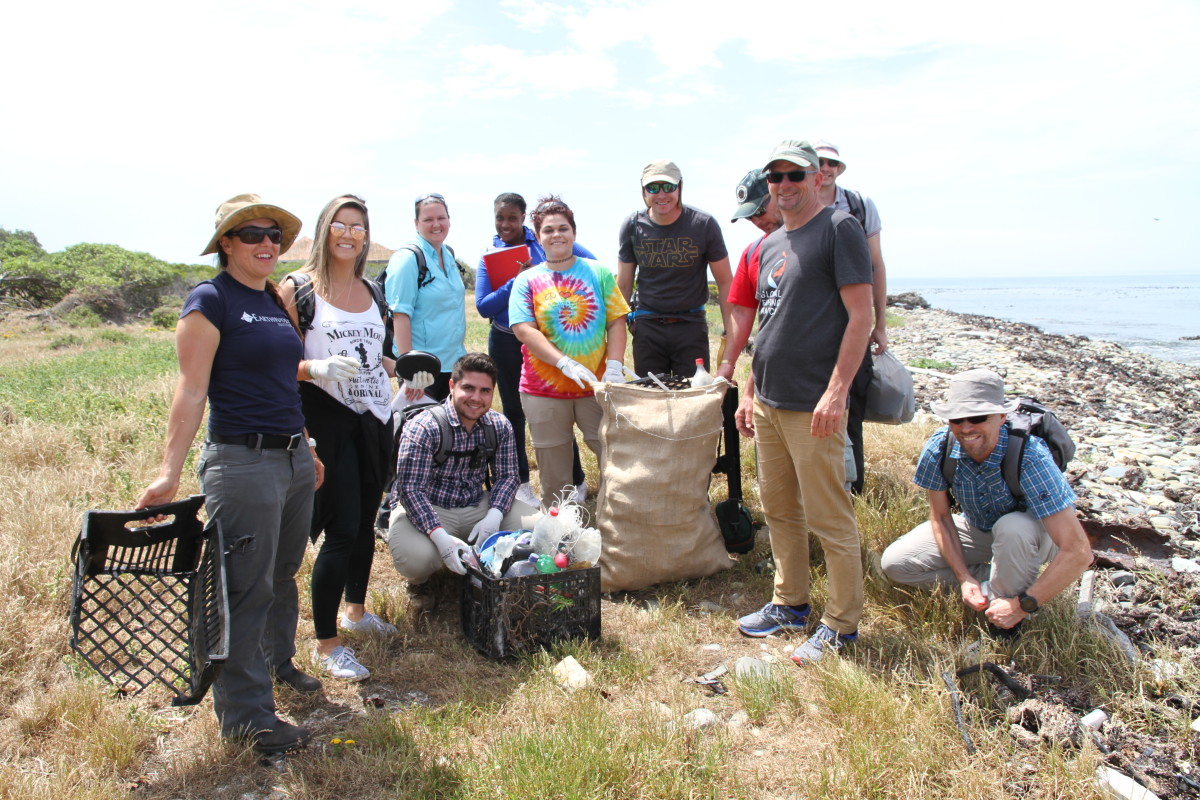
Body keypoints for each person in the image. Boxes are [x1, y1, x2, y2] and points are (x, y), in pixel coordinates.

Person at [136, 194, 320, 754]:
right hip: (242, 461)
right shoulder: (209, 300)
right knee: (243, 587)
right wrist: (169, 473)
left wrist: (306, 444)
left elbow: (283, 378)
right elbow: (191, 389)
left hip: (289, 458)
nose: (267, 244)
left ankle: (271, 669)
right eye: (253, 235)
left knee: (282, 571)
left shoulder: (271, 297)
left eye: (274, 235)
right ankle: (247, 719)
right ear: (226, 244)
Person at [729, 140, 874, 666]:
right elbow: (766, 322)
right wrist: (748, 390)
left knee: (829, 517)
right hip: (768, 400)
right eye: (776, 177)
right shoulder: (770, 245)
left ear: (817, 178)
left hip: (814, 403)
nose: (785, 185)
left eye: (795, 175)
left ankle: (841, 625)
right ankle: (790, 602)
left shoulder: (839, 229)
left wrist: (837, 392)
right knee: (780, 509)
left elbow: (862, 317)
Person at [880, 369, 1093, 635]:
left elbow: (1079, 551)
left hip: (1036, 537)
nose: (966, 427)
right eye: (957, 419)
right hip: (978, 527)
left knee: (1012, 526)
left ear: (1002, 416)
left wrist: (1023, 605)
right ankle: (992, 583)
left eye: (978, 417)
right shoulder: (939, 448)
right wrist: (964, 578)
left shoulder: (1030, 456)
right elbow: (941, 518)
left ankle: (1009, 621)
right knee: (897, 564)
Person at [280, 195, 396, 683]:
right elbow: (275, 362)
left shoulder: (372, 288)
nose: (350, 235)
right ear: (326, 230)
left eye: (358, 228)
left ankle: (356, 610)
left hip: (374, 416)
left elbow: (381, 355)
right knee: (342, 527)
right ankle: (327, 643)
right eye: (340, 226)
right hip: (326, 419)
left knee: (366, 521)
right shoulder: (298, 289)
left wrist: (406, 371)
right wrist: (314, 368)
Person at [387, 353, 540, 611]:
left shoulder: (498, 425)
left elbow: (508, 477)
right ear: (452, 386)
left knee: (539, 529)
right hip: (428, 506)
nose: (476, 398)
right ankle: (420, 581)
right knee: (416, 558)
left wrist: (493, 516)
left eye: (484, 391)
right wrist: (440, 537)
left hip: (475, 504)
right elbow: (410, 491)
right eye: (468, 388)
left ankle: (499, 562)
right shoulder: (424, 427)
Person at [510, 195, 630, 506]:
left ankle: (616, 528)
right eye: (548, 230)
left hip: (595, 385)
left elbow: (617, 320)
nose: (557, 235)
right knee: (554, 473)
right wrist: (562, 362)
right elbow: (523, 329)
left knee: (614, 457)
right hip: (543, 390)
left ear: (574, 233)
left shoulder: (598, 272)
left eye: (563, 228)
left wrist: (614, 366)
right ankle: (560, 538)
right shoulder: (527, 280)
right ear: (538, 237)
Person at [474, 192, 591, 507]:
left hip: (544, 340)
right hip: (505, 340)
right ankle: (522, 482)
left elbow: (589, 264)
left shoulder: (540, 243)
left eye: (512, 217)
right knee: (513, 413)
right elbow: (484, 306)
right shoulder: (490, 255)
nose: (506, 224)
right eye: (500, 217)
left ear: (524, 218)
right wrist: (517, 279)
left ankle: (576, 480)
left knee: (557, 407)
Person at [814, 140, 887, 494]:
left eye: (832, 164)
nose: (825, 169)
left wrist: (881, 326)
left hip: (852, 326)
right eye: (819, 162)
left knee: (850, 410)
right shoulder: (796, 204)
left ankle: (853, 492)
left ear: (839, 170)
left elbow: (876, 264)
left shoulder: (858, 206)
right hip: (813, 328)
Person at [616, 160, 732, 378]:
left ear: (680, 187)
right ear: (643, 191)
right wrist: (614, 340)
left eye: (668, 187)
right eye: (653, 187)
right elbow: (623, 285)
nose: (662, 195)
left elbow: (726, 281)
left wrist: (730, 335)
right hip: (647, 326)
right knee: (651, 400)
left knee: (692, 401)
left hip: (691, 326)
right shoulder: (632, 226)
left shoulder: (703, 224)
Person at [384, 193, 465, 402]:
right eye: (428, 220)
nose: (436, 224)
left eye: (441, 218)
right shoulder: (408, 259)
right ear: (416, 223)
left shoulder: (447, 254)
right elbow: (400, 315)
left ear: (449, 220)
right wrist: (410, 371)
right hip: (422, 372)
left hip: (453, 366)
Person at [715, 168, 782, 383]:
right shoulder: (752, 254)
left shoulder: (823, 237)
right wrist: (727, 364)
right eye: (749, 217)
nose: (757, 220)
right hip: (768, 378)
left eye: (760, 210)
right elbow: (742, 311)